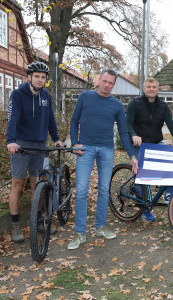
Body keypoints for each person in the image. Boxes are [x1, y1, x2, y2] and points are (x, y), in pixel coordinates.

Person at [68, 69, 139, 250]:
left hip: (106, 149)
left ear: (114, 85)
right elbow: (74, 120)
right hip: (85, 148)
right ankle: (80, 233)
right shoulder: (85, 97)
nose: (107, 85)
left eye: (110, 83)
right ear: (99, 80)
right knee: (82, 189)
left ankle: (100, 226)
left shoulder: (116, 105)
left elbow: (123, 132)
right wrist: (75, 143)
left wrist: (132, 155)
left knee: (103, 189)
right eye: (104, 81)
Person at [6, 61, 64, 243]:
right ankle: (15, 226)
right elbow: (12, 119)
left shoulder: (46, 96)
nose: (40, 80)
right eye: (36, 76)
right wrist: (11, 141)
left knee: (37, 184)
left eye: (43, 77)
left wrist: (56, 138)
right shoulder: (17, 94)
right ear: (29, 77)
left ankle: (37, 222)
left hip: (39, 146)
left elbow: (50, 120)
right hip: (21, 145)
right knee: (17, 185)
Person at [126, 77, 173, 222]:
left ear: (158, 89)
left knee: (171, 160)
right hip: (138, 144)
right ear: (144, 88)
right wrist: (134, 135)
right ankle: (144, 208)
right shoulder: (134, 103)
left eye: (154, 86)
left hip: (155, 142)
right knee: (141, 176)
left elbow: (171, 125)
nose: (152, 89)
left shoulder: (163, 106)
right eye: (149, 86)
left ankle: (169, 192)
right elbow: (127, 123)